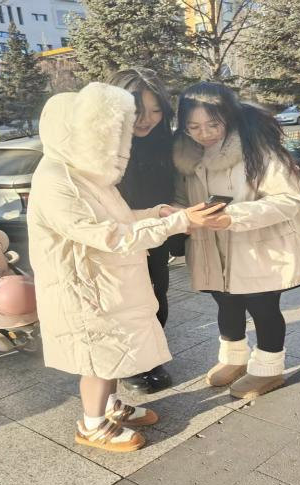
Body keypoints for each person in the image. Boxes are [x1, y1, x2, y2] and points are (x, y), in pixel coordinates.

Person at [27, 82, 224, 452]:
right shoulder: (56, 180)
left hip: (103, 282)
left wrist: (156, 213)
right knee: (97, 360)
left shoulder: (84, 174)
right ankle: (91, 424)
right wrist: (177, 222)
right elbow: (106, 235)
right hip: (83, 288)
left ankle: (109, 405)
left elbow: (118, 218)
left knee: (112, 352)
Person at [173, 82, 300, 402]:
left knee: (263, 307)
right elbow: (182, 198)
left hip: (258, 247)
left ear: (229, 117)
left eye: (213, 124)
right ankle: (234, 357)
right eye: (193, 126)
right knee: (226, 302)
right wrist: (179, 214)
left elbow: (288, 200)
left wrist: (233, 217)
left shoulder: (258, 150)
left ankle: (268, 368)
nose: (204, 133)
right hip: (212, 248)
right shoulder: (186, 156)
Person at [107, 68, 177, 393]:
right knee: (125, 305)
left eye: (156, 110)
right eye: (138, 110)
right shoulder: (102, 149)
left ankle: (151, 359)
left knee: (156, 297)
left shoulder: (166, 143)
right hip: (115, 240)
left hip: (155, 235)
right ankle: (130, 366)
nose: (147, 119)